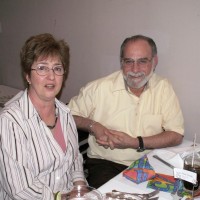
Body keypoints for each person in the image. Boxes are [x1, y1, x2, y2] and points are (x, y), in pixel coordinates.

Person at [68, 35, 184, 188]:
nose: (135, 70)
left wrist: (135, 142)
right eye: (129, 61)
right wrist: (94, 126)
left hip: (150, 160)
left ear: (154, 61)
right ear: (121, 62)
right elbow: (65, 115)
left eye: (142, 61)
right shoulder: (98, 88)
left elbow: (176, 134)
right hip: (106, 163)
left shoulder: (163, 88)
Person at [0, 33, 87, 200]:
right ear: (27, 76)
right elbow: (20, 190)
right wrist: (63, 197)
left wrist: (80, 186)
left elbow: (75, 158)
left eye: (57, 68)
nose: (51, 76)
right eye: (42, 68)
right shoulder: (11, 121)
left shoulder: (65, 113)